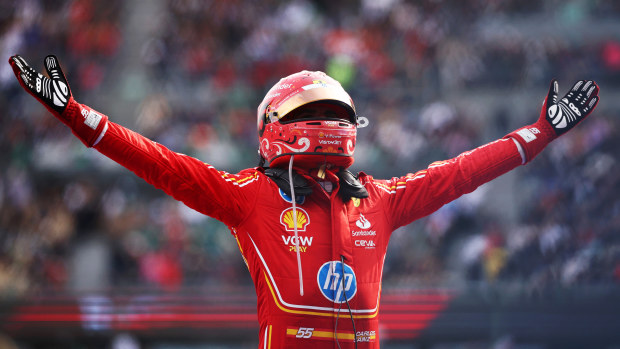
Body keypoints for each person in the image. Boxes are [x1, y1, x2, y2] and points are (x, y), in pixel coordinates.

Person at [8, 54, 599, 348]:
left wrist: (542, 131)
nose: (327, 125)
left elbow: (462, 173)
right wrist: (75, 114)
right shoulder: (247, 196)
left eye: (335, 115)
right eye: (311, 115)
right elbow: (158, 162)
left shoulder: (379, 197)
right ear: (271, 128)